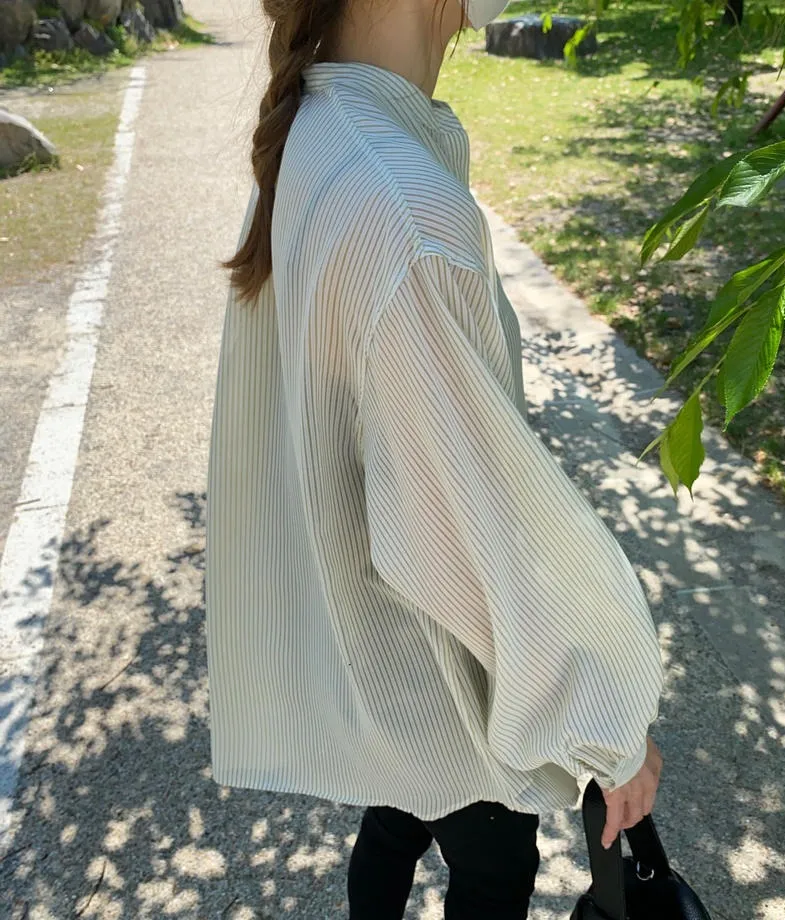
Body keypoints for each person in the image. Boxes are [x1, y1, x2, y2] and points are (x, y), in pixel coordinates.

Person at [205, 0, 665, 914]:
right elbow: (465, 527)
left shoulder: (322, 131)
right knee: (493, 866)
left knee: (392, 822)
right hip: (437, 666)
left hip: (378, 648)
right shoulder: (403, 207)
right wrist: (609, 729)